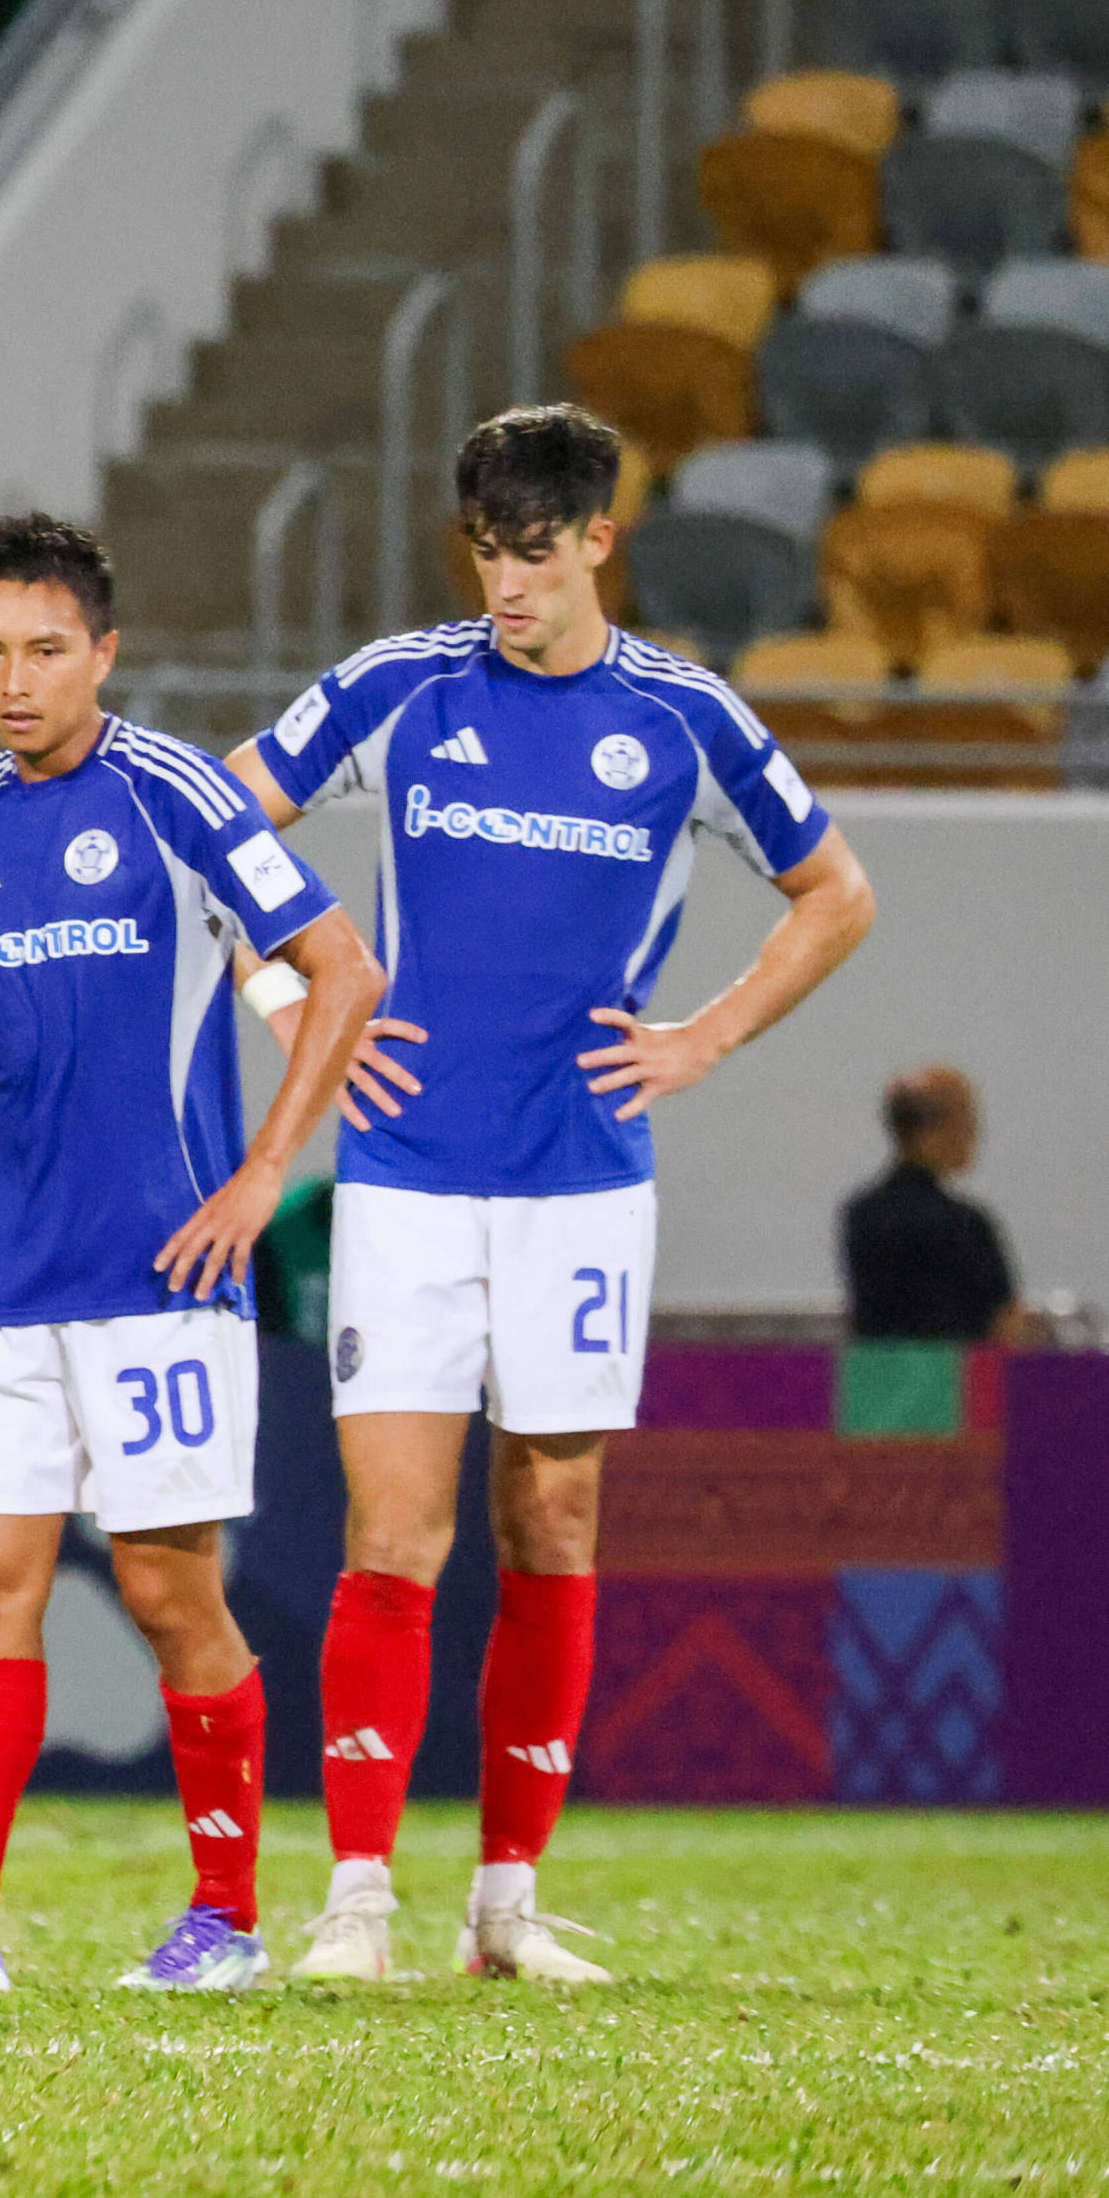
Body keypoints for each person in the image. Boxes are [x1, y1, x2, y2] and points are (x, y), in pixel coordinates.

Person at [222, 405, 875, 1985]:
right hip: (403, 1170)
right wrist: (286, 1008)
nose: (503, 584)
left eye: (531, 551)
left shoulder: (683, 716)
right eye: (482, 552)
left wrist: (701, 1035)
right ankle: (356, 1897)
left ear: (596, 538)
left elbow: (835, 893)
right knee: (392, 1526)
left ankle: (503, 1902)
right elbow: (213, 813)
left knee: (552, 1517)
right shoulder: (397, 685)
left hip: (581, 1179)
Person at [0, 516, 382, 1997]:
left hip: (160, 1270)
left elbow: (341, 967)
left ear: (102, 652)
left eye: (44, 649)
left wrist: (266, 1172)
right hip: (5, 1270)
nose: (13, 679)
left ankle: (227, 1915)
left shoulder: (172, 792)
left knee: (162, 1588)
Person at [840, 1067, 1023, 1346]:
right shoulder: (965, 1224)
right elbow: (1005, 1327)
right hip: (955, 1382)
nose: (974, 1132)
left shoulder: (860, 1216)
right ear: (936, 1128)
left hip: (883, 1383)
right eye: (967, 1118)